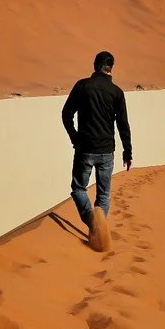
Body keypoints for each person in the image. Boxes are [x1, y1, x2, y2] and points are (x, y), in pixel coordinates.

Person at [61, 50, 133, 226]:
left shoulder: (82, 86)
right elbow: (123, 124)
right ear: (111, 68)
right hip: (106, 151)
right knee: (104, 195)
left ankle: (93, 224)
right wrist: (127, 152)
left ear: (95, 65)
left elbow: (66, 114)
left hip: (84, 149)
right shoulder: (116, 92)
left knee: (78, 189)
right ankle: (99, 228)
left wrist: (74, 137)